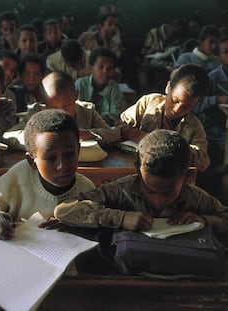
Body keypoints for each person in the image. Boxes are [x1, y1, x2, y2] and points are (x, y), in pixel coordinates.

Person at [54, 129, 228, 235]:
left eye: (169, 193)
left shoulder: (194, 196)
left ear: (185, 176)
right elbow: (64, 209)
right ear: (138, 170)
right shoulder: (122, 189)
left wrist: (203, 219)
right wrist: (120, 218)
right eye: (150, 190)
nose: (158, 202)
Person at [0, 109, 95, 240]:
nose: (62, 166)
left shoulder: (86, 190)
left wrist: (76, 226)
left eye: (69, 154)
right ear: (31, 161)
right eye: (51, 158)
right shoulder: (19, 177)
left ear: (78, 150)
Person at [119, 64, 210, 172]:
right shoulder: (148, 103)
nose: (177, 109)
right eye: (175, 100)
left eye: (186, 107)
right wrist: (134, 133)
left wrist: (155, 142)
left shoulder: (195, 127)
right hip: (133, 167)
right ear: (168, 87)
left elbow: (202, 162)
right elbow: (120, 125)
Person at [193, 36, 228, 202]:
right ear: (218, 57)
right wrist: (216, 100)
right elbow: (196, 105)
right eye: (226, 52)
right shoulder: (212, 78)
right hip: (215, 132)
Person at [41, 71, 120, 144]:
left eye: (67, 105)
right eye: (53, 107)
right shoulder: (38, 113)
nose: (61, 112)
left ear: (76, 95)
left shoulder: (87, 111)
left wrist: (86, 134)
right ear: (44, 102)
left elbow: (113, 134)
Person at [75, 47, 126, 126]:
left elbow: (116, 115)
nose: (105, 72)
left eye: (110, 68)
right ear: (91, 68)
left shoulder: (114, 88)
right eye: (101, 67)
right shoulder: (80, 84)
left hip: (105, 129)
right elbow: (76, 111)